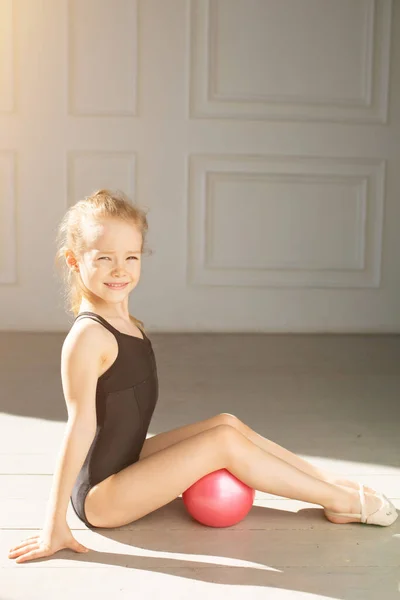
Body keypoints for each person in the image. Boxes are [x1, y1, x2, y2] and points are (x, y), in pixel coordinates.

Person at [8, 189, 398, 564]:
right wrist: (53, 525)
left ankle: (333, 485)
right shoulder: (88, 336)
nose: (120, 270)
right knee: (223, 442)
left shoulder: (121, 317)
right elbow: (78, 429)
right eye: (104, 258)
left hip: (126, 461)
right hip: (101, 496)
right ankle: (343, 503)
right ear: (75, 261)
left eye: (131, 257)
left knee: (226, 423)